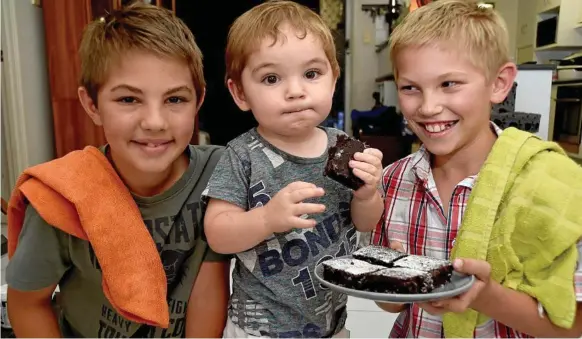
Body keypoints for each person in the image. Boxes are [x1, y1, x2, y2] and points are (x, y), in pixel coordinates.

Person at [5, 3, 229, 338]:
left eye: (175, 100)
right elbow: (27, 303)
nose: (154, 122)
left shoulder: (221, 172)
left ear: (198, 102)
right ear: (92, 105)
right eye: (128, 100)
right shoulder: (60, 194)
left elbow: (210, 290)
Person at [371, 0, 582, 337]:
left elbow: (572, 328)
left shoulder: (549, 187)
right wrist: (393, 278)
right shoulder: (393, 181)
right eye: (410, 87)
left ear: (499, 83)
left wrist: (484, 296)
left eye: (449, 84)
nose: (428, 107)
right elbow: (391, 305)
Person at [202, 1, 384, 337]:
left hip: (333, 324)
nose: (296, 91)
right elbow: (217, 232)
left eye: (311, 74)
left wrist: (368, 193)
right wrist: (266, 219)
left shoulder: (342, 146)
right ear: (240, 93)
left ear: (333, 80)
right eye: (271, 78)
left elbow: (366, 221)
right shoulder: (241, 155)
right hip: (259, 330)